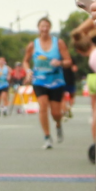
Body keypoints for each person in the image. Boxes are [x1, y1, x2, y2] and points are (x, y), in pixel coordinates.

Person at [24, 16, 72, 149]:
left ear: (50, 28)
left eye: (46, 26)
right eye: (42, 26)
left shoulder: (58, 43)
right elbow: (25, 61)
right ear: (38, 28)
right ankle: (47, 136)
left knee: (56, 113)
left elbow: (68, 61)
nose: (44, 29)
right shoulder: (33, 44)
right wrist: (28, 71)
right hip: (39, 80)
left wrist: (60, 62)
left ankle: (58, 124)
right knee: (43, 106)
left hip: (56, 81)